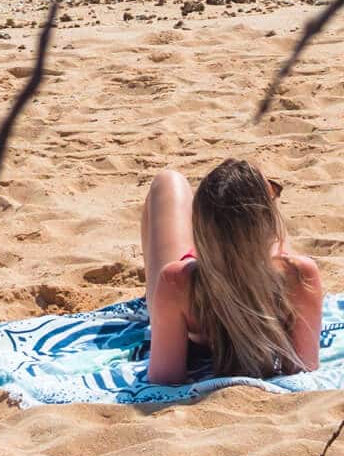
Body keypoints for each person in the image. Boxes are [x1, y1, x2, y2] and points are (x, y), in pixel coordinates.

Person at [139, 158, 324, 385]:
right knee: (258, 232)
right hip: (255, 276)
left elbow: (163, 379)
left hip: (202, 280)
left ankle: (226, 224)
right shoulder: (298, 275)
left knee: (168, 180)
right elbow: (304, 371)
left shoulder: (176, 282)